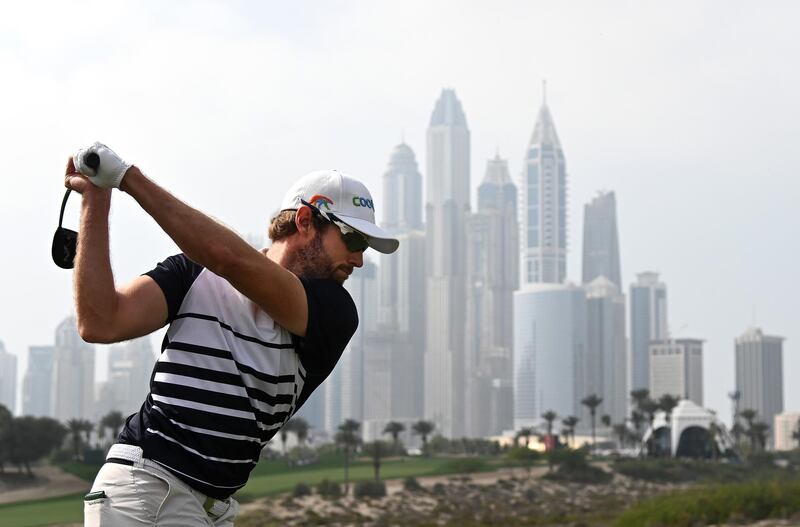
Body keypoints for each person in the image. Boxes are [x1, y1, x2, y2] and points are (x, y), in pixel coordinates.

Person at [66, 142, 399, 526]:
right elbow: (99, 321)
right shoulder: (192, 273)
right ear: (306, 221)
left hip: (214, 510)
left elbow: (229, 259)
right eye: (354, 240)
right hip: (144, 486)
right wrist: (96, 197)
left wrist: (128, 178)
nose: (359, 259)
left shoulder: (335, 312)